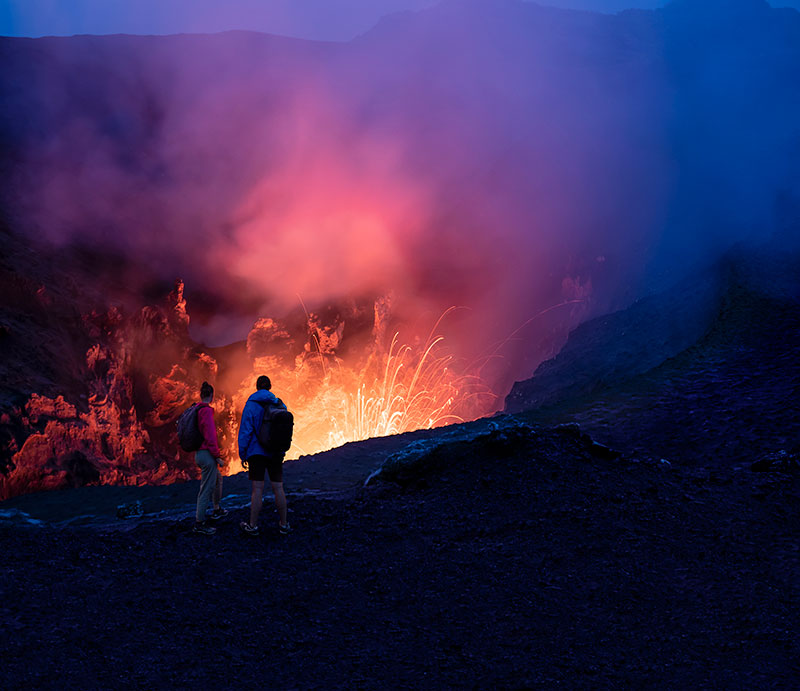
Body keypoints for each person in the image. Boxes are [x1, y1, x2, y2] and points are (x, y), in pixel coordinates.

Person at [237, 375, 291, 536]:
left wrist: (243, 453)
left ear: (257, 387)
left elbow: (245, 432)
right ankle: (284, 524)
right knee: (278, 488)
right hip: (275, 452)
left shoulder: (251, 405)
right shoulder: (279, 404)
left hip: (256, 453)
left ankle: (253, 526)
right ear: (270, 387)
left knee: (257, 489)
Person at [193, 381, 228, 535]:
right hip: (206, 455)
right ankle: (199, 523)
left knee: (217, 479)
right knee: (206, 489)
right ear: (212, 396)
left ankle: (216, 509)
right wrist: (217, 456)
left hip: (200, 453)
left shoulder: (196, 409)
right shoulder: (206, 412)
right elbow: (210, 436)